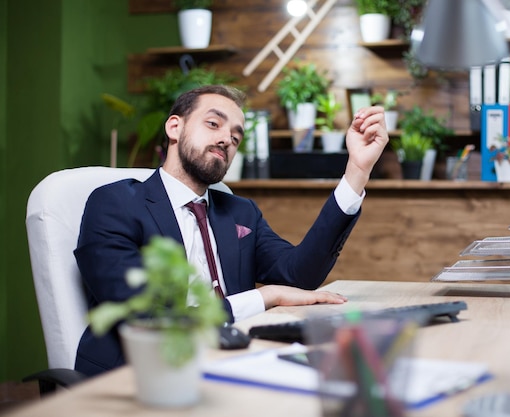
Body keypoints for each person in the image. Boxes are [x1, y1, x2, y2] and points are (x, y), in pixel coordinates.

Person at [73, 84, 389, 376]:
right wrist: (266, 296)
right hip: (142, 375)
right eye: (213, 124)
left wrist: (357, 171)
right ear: (174, 127)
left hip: (236, 360)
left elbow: (298, 275)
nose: (227, 139)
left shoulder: (241, 211)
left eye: (236, 137)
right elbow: (147, 318)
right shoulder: (115, 204)